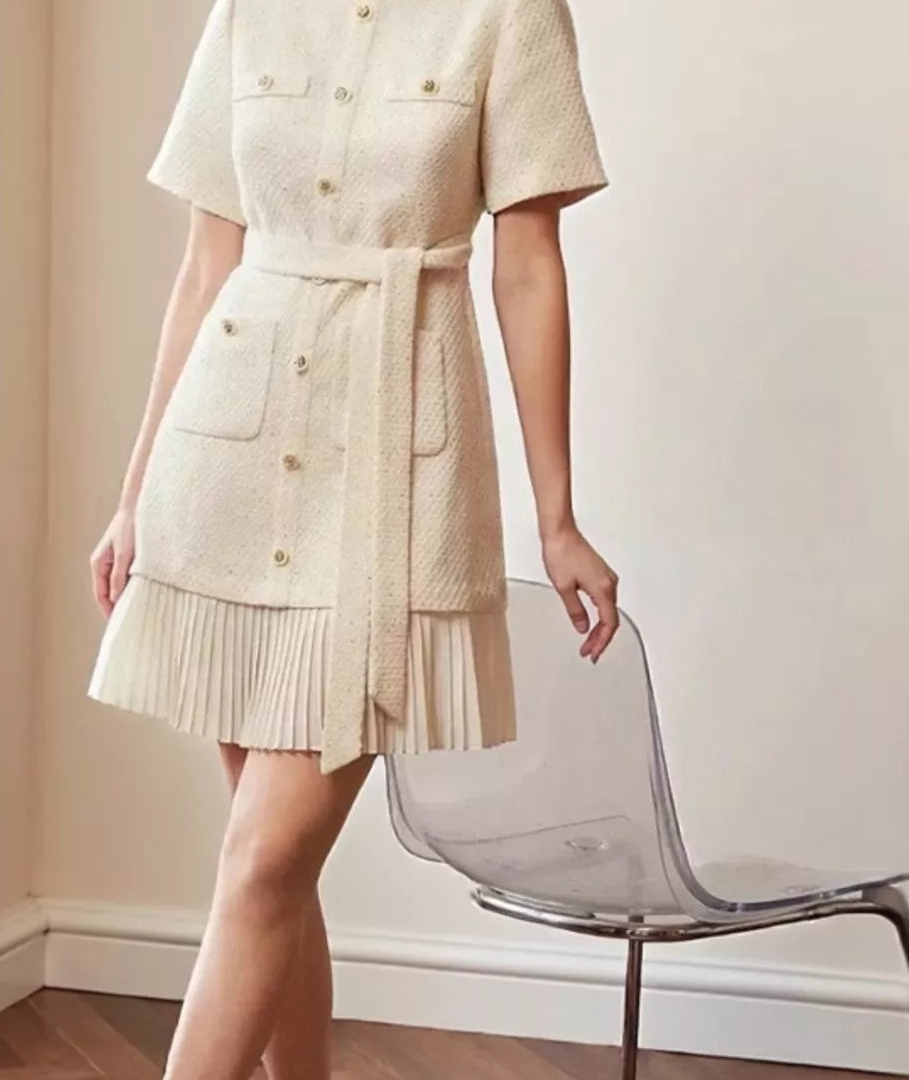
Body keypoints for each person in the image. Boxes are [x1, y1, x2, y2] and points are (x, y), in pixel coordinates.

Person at [87, 0, 619, 1075]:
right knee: (268, 862)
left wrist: (557, 517)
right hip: (225, 466)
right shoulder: (248, 12)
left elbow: (527, 267)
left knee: (265, 856)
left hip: (394, 466)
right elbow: (204, 268)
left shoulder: (508, 16)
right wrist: (136, 492)